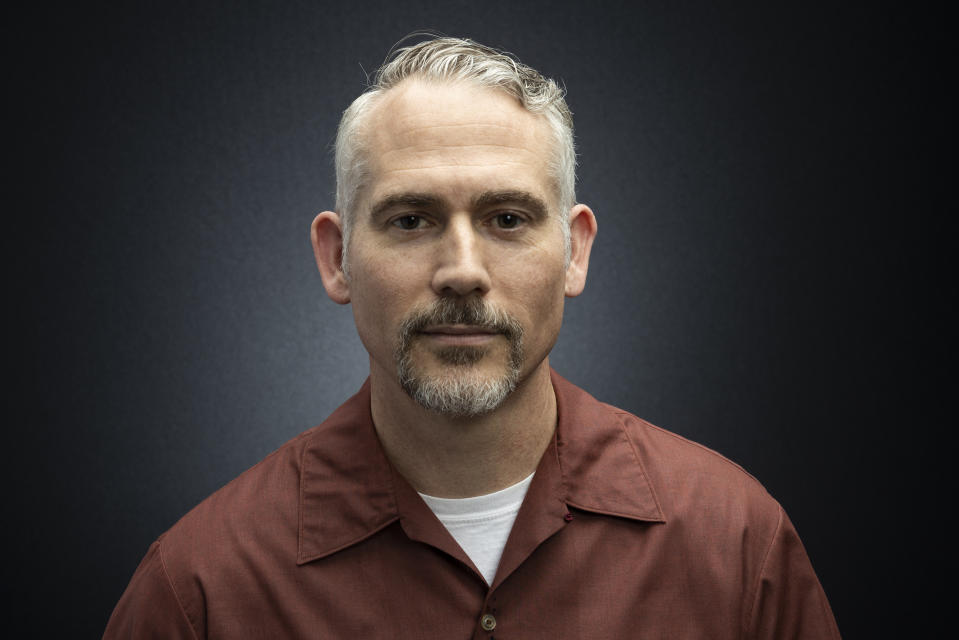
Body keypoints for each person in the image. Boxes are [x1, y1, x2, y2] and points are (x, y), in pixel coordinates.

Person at [104, 36, 841, 639]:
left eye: (508, 219)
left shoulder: (738, 545)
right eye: (411, 220)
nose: (462, 271)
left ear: (575, 251)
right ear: (336, 259)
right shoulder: (197, 593)